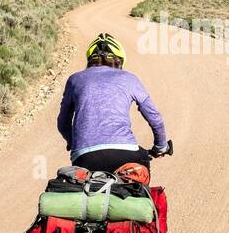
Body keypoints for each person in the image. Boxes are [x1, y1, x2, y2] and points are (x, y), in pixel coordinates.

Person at [56, 32, 169, 173]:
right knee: (139, 182)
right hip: (125, 153)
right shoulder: (129, 78)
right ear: (120, 59)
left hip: (84, 157)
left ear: (90, 59)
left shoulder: (75, 79)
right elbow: (155, 118)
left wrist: (74, 142)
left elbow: (63, 122)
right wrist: (160, 147)